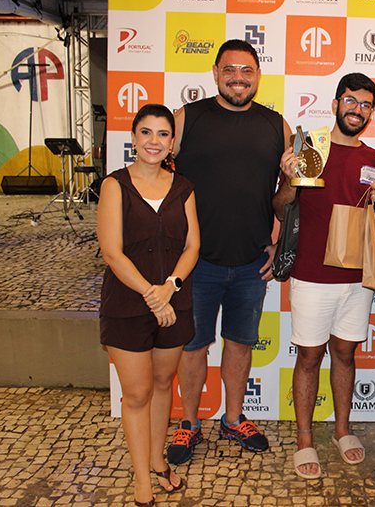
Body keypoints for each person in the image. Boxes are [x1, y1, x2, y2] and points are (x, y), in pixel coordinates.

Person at [168, 39, 291, 463]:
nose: (238, 78)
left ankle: (233, 418)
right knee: (193, 347)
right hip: (196, 263)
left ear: (258, 76)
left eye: (246, 71)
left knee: (239, 345)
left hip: (252, 262)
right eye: (230, 70)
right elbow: (156, 176)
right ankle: (188, 423)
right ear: (216, 73)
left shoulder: (277, 126)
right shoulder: (187, 118)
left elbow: (288, 194)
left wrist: (279, 244)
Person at [273, 73, 375, 479]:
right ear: (337, 103)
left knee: (345, 354)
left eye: (366, 105)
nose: (358, 110)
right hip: (310, 274)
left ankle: (342, 429)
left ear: (372, 112)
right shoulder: (309, 147)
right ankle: (304, 438)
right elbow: (279, 207)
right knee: (309, 356)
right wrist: (291, 179)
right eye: (351, 101)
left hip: (358, 279)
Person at [98, 104, 200, 506]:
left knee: (162, 384)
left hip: (174, 302)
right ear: (133, 138)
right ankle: (142, 479)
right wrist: (152, 295)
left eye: (163, 134)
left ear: (172, 143)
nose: (154, 141)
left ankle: (158, 461)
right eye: (146, 132)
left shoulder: (184, 187)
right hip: (127, 305)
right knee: (137, 394)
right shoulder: (114, 185)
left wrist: (170, 288)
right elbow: (112, 252)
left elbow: (192, 246)